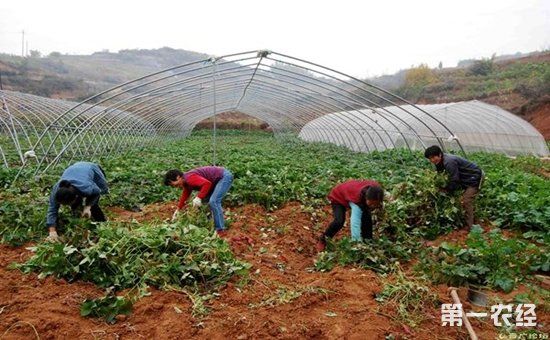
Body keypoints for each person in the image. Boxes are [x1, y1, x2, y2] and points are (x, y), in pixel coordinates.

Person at [424, 145, 483, 229]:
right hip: (464, 178)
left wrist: (446, 190)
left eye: (433, 157)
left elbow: (454, 180)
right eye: (430, 158)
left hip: (474, 177)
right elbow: (440, 174)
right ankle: (474, 219)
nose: (432, 160)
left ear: (440, 154)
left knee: (466, 200)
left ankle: (472, 227)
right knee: (461, 198)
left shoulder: (449, 162)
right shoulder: (439, 162)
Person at [46, 161, 108, 242]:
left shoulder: (86, 187)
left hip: (90, 167)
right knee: (75, 206)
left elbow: (97, 192)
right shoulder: (56, 191)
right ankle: (78, 217)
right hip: (74, 169)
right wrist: (52, 231)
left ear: (75, 196)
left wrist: (88, 207)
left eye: (67, 204)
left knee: (98, 198)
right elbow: (52, 210)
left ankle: (102, 222)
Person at [316, 179, 384, 252]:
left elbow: (375, 203)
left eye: (375, 204)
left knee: (367, 220)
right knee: (339, 221)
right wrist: (357, 244)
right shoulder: (357, 200)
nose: (373, 206)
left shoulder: (377, 191)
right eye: (371, 204)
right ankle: (324, 239)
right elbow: (355, 224)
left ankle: (368, 242)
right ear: (366, 198)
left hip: (350, 191)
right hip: (338, 196)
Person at [164, 166, 233, 236]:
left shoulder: (189, 178)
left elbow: (207, 184)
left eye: (173, 184)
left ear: (178, 177)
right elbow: (185, 195)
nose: (175, 187)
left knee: (213, 201)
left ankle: (220, 230)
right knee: (205, 202)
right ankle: (212, 224)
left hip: (223, 177)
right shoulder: (186, 182)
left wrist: (198, 197)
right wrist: (178, 210)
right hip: (214, 181)